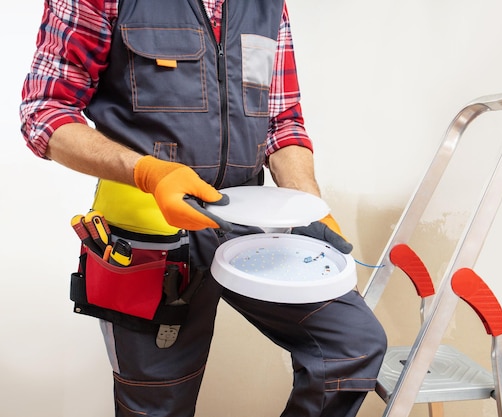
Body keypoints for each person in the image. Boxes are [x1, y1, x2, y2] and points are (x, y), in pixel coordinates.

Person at [20, 0, 387, 416]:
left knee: (350, 348)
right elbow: (45, 112)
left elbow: (281, 120)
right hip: (151, 241)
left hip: (249, 225)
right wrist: (149, 174)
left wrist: (306, 202)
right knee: (157, 407)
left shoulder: (266, 6)